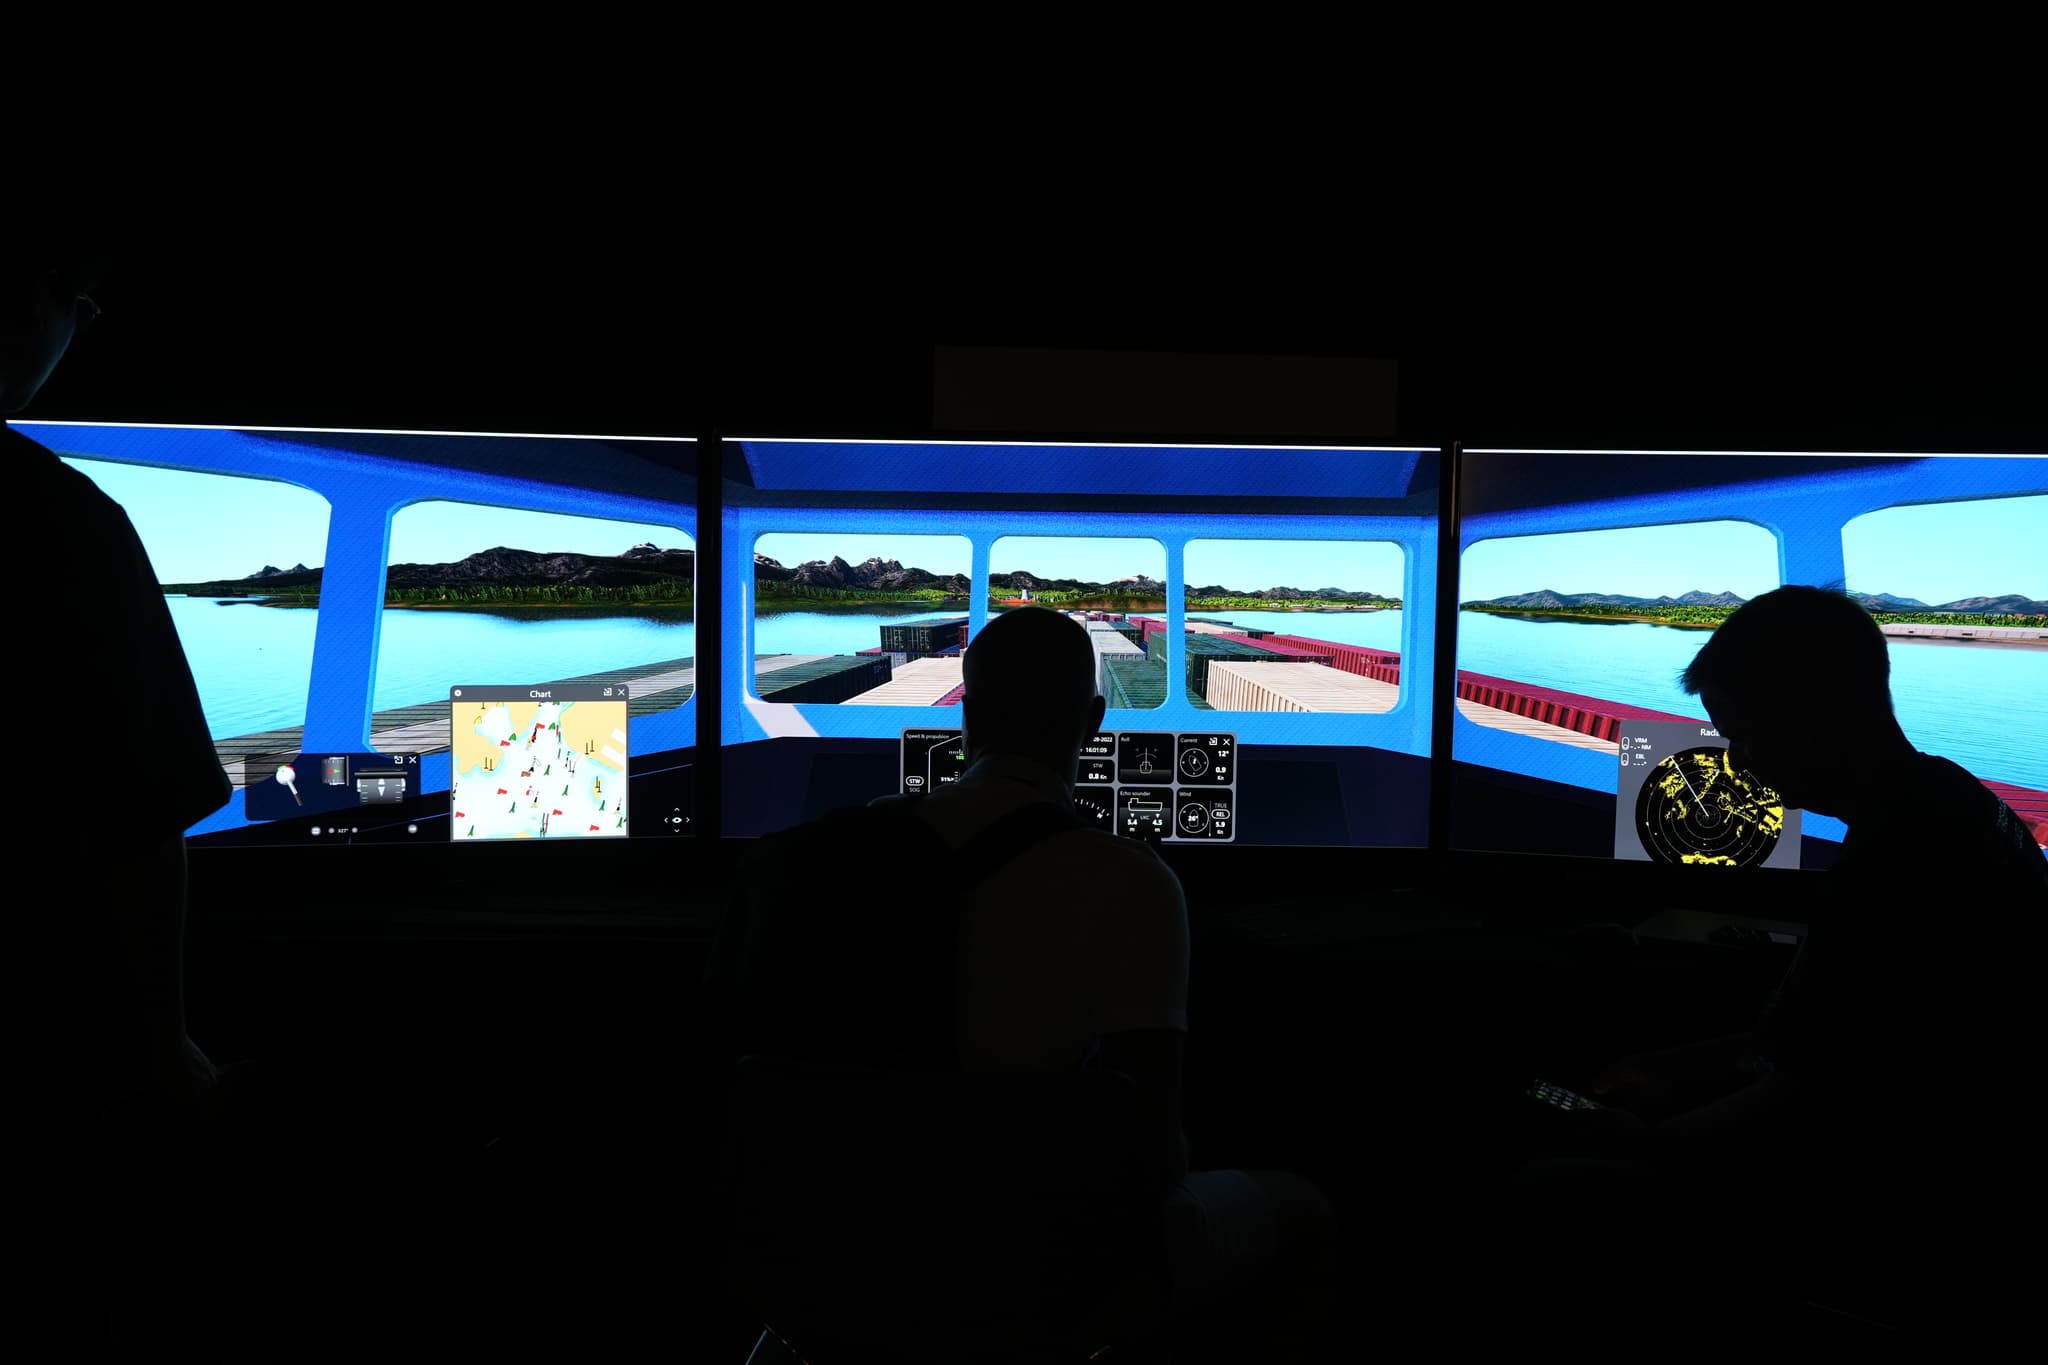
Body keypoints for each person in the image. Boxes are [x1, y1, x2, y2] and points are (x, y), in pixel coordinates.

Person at [710, 606, 1347, 1359]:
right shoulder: (1132, 881)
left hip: (821, 1257)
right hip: (1032, 1277)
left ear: (968, 713)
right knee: (1307, 1211)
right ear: (1095, 720)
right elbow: (1152, 1153)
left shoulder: (820, 861)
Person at [1467, 585, 2046, 1350]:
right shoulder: (1942, 806)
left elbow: (1815, 1098)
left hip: (1918, 1207)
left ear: (1806, 717)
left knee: (1547, 1187)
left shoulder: (1906, 859)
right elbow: (1827, 1038)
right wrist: (1679, 1064)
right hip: (1950, 1169)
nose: (1733, 758)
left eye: (1739, 731)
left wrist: (1641, 1139)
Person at [9, 229, 235, 1352]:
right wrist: (159, 1044)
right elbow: (144, 813)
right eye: (67, 285)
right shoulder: (53, 519)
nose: (86, 318)